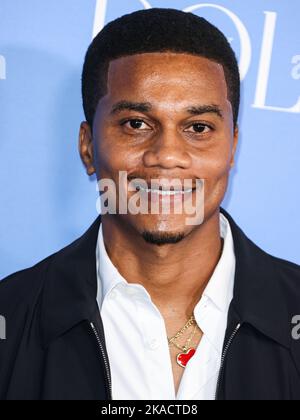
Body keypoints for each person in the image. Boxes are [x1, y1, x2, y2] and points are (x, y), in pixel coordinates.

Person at [0, 8, 299, 401]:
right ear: (88, 147)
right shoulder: (12, 318)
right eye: (136, 124)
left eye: (198, 128)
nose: (167, 155)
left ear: (232, 148)